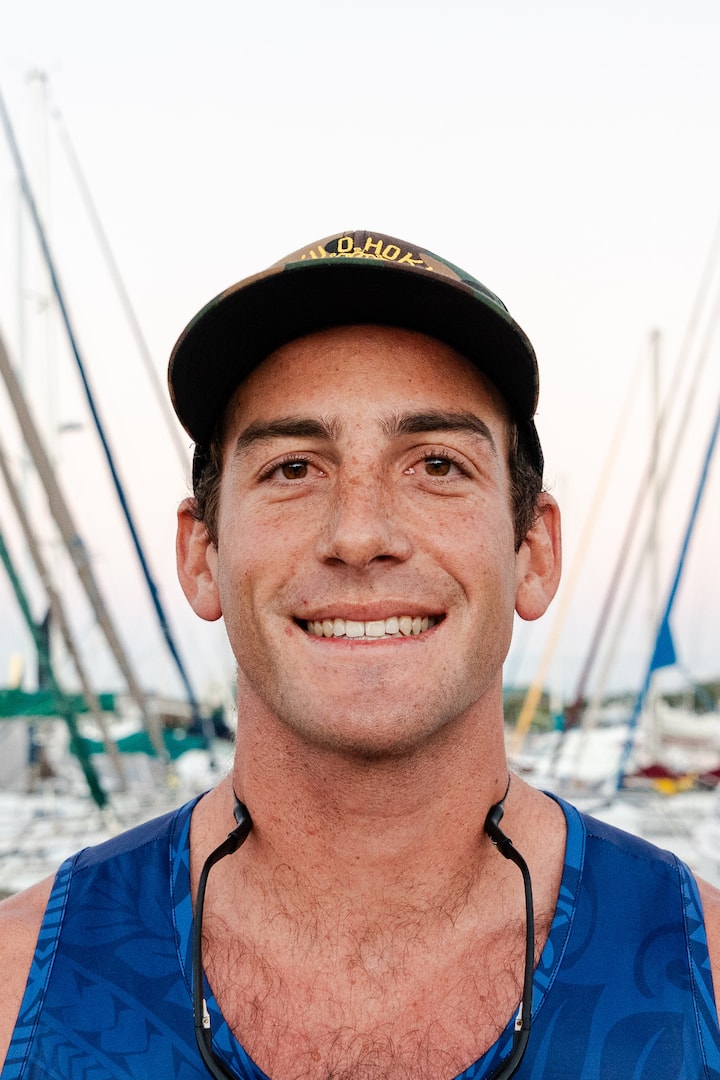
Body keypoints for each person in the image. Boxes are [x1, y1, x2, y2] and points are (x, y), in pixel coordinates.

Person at [1, 229, 719, 1080]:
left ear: (533, 552)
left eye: (437, 464)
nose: (359, 533)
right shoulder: (18, 985)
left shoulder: (702, 970)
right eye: (293, 468)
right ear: (202, 556)